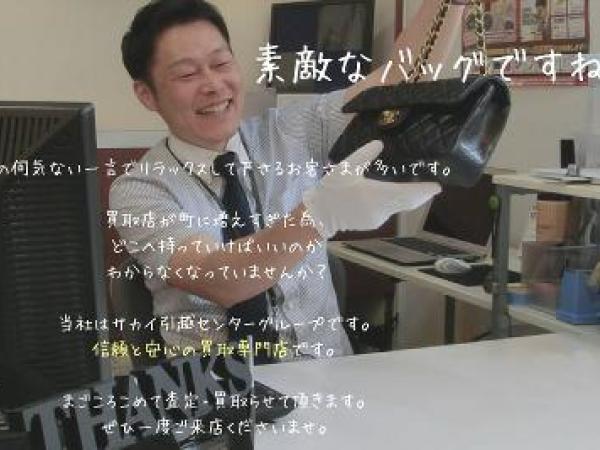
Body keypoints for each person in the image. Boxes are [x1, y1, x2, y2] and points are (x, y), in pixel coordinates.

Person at [110, 0, 466, 362]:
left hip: (328, 373)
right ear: (147, 94)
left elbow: (400, 81)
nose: (214, 85)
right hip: (218, 388)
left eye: (221, 64)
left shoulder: (292, 130)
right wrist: (319, 215)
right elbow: (215, 277)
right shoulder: (139, 191)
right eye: (187, 75)